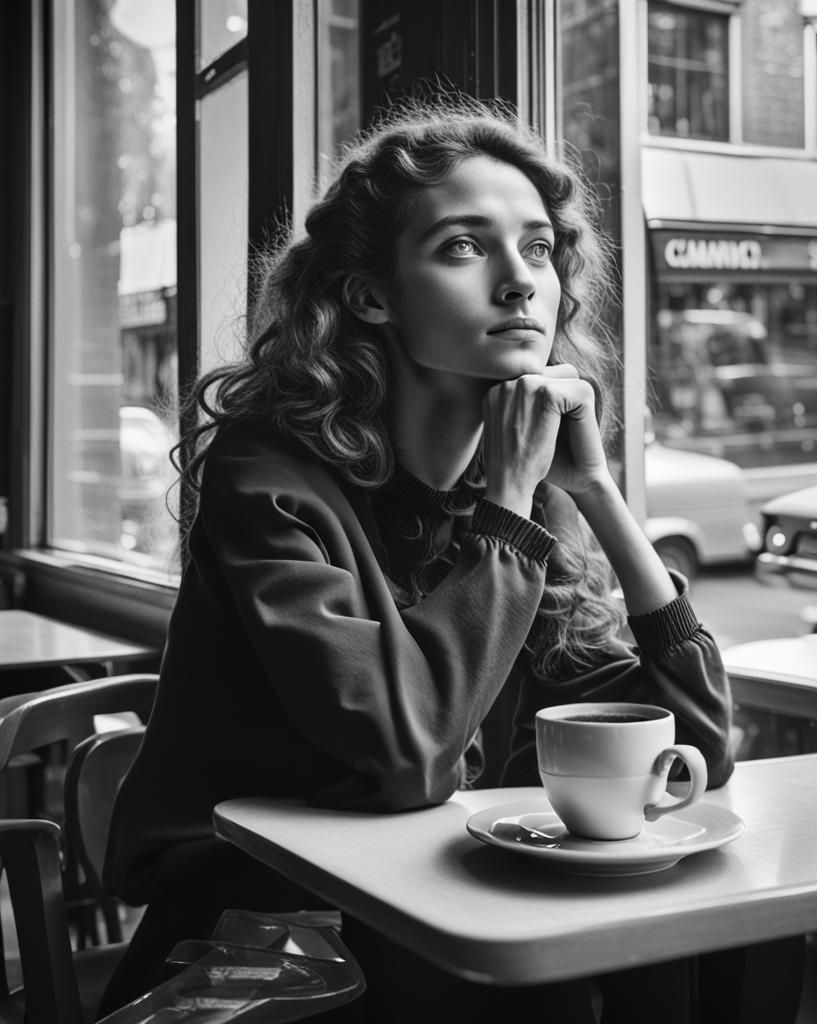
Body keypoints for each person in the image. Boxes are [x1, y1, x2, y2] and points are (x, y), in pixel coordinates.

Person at [101, 94, 747, 1022]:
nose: (521, 282)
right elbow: (408, 752)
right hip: (266, 930)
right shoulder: (269, 478)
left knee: (710, 946)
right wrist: (514, 507)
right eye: (462, 246)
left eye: (537, 248)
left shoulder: (509, 506)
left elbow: (697, 748)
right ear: (370, 295)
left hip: (432, 902)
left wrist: (596, 495)